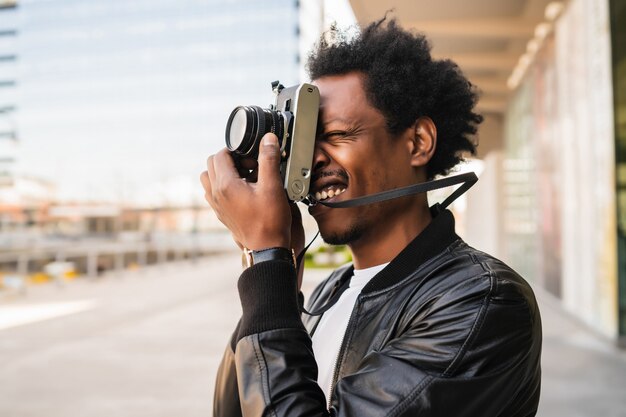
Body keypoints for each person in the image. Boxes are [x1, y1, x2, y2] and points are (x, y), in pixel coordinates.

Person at [201, 18, 541, 417]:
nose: (312, 160)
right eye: (306, 142)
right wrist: (275, 272)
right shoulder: (330, 292)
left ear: (418, 143)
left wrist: (265, 254)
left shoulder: (481, 302)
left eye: (337, 135)